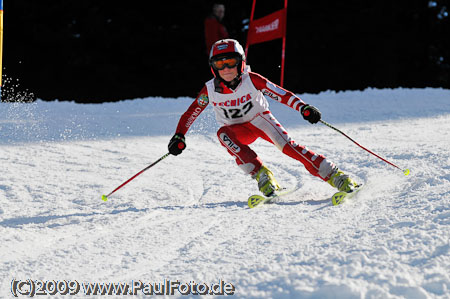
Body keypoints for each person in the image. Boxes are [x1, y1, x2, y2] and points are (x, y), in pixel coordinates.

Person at [168, 39, 358, 197]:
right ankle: (262, 175)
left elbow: (281, 94)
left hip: (261, 121)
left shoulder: (252, 79)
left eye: (231, 62)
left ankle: (335, 175)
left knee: (289, 147)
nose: (226, 69)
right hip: (237, 130)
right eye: (220, 64)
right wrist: (179, 136)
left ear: (241, 62)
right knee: (223, 134)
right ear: (213, 67)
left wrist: (303, 107)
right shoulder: (209, 90)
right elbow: (191, 113)